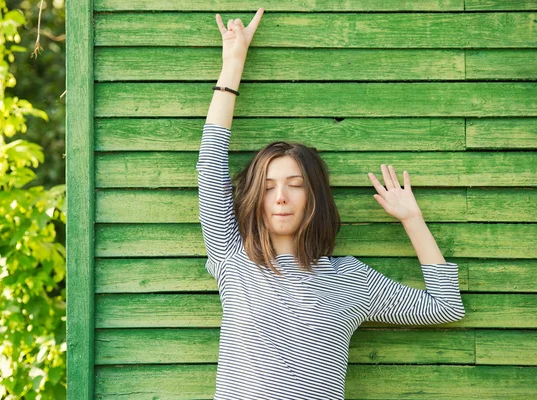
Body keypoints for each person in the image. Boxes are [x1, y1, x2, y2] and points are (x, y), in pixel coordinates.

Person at [195, 8, 466, 399]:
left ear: (314, 196)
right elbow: (209, 167)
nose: (281, 197)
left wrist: (412, 219)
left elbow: (444, 307)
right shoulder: (233, 259)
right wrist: (233, 62)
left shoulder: (351, 280)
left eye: (295, 184)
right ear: (255, 198)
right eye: (268, 187)